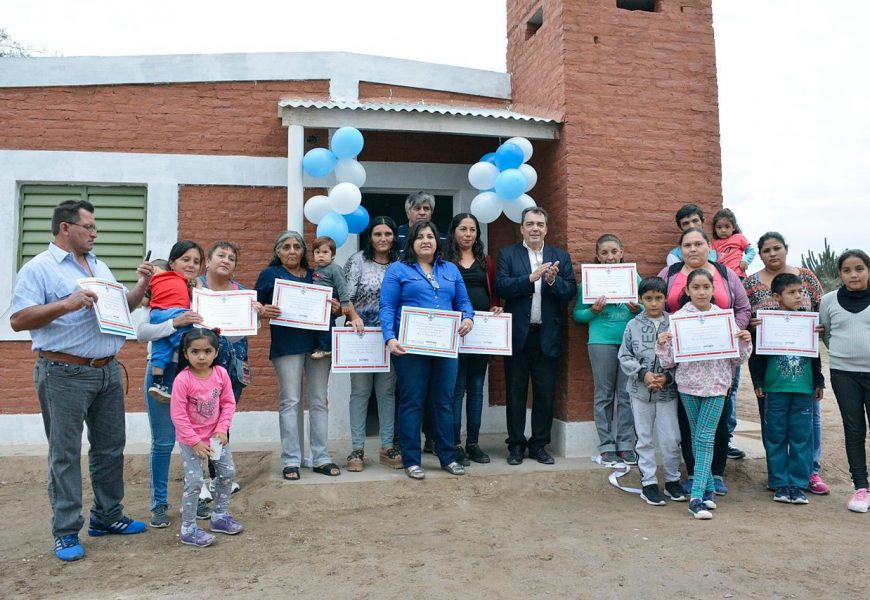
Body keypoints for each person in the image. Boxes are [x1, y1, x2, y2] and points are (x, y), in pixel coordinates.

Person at [10, 199, 152, 561]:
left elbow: (123, 308)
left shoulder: (99, 266)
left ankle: (107, 517)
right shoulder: (38, 269)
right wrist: (66, 304)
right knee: (65, 454)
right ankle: (65, 531)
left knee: (109, 447)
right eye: (88, 226)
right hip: (63, 372)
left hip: (106, 369)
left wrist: (140, 285)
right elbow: (19, 320)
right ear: (65, 228)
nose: (94, 233)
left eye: (94, 227)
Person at [657, 227, 751, 494]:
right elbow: (657, 306)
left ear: (709, 246)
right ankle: (698, 475)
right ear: (680, 249)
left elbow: (743, 307)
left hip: (719, 365)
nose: (693, 249)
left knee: (718, 423)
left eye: (699, 243)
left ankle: (715, 473)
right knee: (689, 424)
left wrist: (730, 335)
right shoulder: (670, 274)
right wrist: (666, 338)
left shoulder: (724, 273)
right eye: (687, 245)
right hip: (687, 365)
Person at [379, 220, 474, 480]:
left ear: (437, 241)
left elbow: (463, 301)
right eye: (419, 236)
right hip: (410, 348)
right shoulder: (398, 270)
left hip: (445, 347)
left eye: (430, 236)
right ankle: (411, 460)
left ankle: (447, 456)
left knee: (444, 401)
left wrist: (467, 318)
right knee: (412, 402)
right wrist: (389, 337)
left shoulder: (450, 270)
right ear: (411, 242)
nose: (425, 240)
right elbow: (387, 306)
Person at [743, 231, 829, 494]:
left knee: (805, 428)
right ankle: (779, 479)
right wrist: (752, 325)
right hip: (773, 378)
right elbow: (747, 325)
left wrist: (818, 378)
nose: (773, 253)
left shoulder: (807, 279)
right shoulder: (751, 285)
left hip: (803, 377)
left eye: (777, 248)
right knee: (775, 429)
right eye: (766, 250)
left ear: (786, 249)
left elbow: (820, 314)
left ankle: (806, 477)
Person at [256, 231, 341, 480]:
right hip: (287, 344)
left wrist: (336, 307)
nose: (292, 251)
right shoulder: (269, 275)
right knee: (290, 401)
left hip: (318, 345)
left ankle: (321, 456)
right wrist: (263, 310)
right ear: (277, 251)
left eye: (297, 246)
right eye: (286, 247)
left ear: (304, 251)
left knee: (318, 400)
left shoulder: (318, 274)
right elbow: (254, 305)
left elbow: (334, 304)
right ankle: (291, 459)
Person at [495, 206, 577, 466]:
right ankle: (516, 445)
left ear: (546, 228)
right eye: (529, 224)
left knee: (544, 393)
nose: (535, 228)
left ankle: (539, 445)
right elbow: (501, 286)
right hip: (519, 335)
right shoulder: (508, 254)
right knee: (516, 392)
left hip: (547, 334)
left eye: (539, 224)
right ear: (521, 228)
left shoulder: (559, 256)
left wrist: (553, 281)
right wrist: (530, 278)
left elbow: (570, 292)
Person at [195, 241, 264, 517]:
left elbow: (247, 331)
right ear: (208, 261)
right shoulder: (194, 287)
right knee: (197, 420)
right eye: (220, 256)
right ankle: (197, 479)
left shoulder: (241, 293)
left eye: (231, 258)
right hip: (200, 365)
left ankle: (217, 476)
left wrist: (256, 315)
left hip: (233, 365)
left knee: (222, 420)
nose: (226, 261)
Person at [170, 328, 243, 547]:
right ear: (186, 354)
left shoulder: (221, 374)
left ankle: (219, 516)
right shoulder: (183, 380)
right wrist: (194, 441)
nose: (201, 357)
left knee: (227, 472)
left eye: (207, 351)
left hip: (216, 438)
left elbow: (229, 403)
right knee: (194, 482)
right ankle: (189, 528)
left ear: (215, 352)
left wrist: (222, 429)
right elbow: (178, 414)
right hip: (191, 440)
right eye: (195, 351)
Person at [574, 234, 641, 466]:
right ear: (598, 256)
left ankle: (625, 444)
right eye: (604, 253)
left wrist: (637, 307)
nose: (610, 257)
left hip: (629, 341)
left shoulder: (634, 277)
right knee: (603, 394)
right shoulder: (589, 281)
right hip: (600, 341)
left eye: (614, 251)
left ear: (622, 252)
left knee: (626, 394)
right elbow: (577, 315)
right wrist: (592, 310)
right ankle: (606, 445)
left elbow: (648, 308)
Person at [342, 217, 403, 471]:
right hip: (362, 337)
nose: (383, 238)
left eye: (388, 233)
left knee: (387, 393)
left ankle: (387, 447)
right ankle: (357, 449)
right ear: (370, 236)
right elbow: (345, 296)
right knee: (360, 392)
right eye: (378, 234)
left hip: (390, 337)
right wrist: (354, 317)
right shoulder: (357, 261)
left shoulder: (401, 264)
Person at [618, 276, 685, 506]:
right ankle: (649, 483)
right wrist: (643, 374)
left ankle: (673, 480)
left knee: (671, 438)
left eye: (658, 298)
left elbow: (684, 357)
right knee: (644, 438)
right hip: (640, 390)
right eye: (648, 298)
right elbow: (624, 356)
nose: (654, 303)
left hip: (667, 392)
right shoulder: (633, 325)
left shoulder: (675, 323)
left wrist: (667, 377)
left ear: (666, 298)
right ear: (640, 299)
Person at [444, 213, 503, 465]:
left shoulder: (486, 261)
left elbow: (493, 294)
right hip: (453, 331)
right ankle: (455, 443)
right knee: (456, 389)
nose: (468, 234)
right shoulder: (443, 260)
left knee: (476, 388)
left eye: (472, 230)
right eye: (463, 229)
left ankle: (473, 443)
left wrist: (495, 307)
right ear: (454, 231)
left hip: (480, 333)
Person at [820, 249, 870, 513]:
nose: (854, 274)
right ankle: (861, 488)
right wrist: (841, 353)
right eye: (847, 270)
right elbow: (826, 333)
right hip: (843, 373)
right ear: (839, 273)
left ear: (868, 270)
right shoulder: (829, 300)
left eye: (859, 269)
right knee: (854, 430)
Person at [146, 240, 205, 402]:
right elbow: (142, 333)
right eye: (185, 260)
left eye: (196, 262)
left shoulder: (199, 294)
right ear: (171, 263)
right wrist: (174, 323)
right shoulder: (165, 284)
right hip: (172, 366)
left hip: (184, 370)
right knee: (164, 428)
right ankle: (182, 347)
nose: (191, 265)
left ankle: (159, 383)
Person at [311, 236, 351, 360]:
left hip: (330, 300)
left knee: (327, 325)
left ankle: (328, 348)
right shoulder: (317, 269)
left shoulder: (335, 268)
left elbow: (342, 287)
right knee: (319, 326)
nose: (321, 255)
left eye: (325, 252)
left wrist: (344, 304)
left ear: (333, 255)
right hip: (318, 301)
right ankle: (321, 346)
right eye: (317, 252)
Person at [710, 208, 756, 278]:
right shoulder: (714, 244)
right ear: (715, 229)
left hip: (738, 275)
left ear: (733, 227)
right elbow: (712, 261)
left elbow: (751, 251)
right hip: (723, 277)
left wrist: (745, 261)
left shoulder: (739, 238)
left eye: (727, 227)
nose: (723, 230)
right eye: (719, 227)